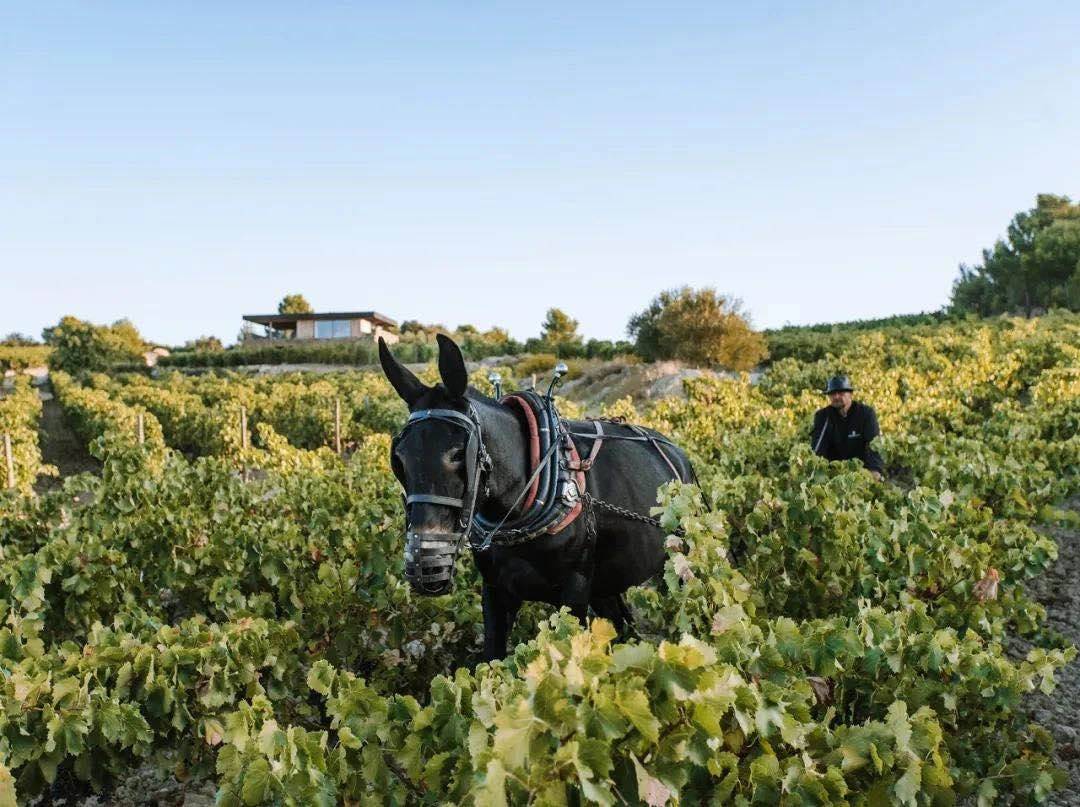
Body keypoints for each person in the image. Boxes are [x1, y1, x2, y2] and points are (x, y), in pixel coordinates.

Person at [810, 375, 884, 479]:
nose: (836, 397)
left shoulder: (866, 414)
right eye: (832, 394)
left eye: (841, 393)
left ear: (850, 394)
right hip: (834, 474)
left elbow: (874, 444)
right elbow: (818, 447)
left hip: (862, 473)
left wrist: (874, 470)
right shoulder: (823, 416)